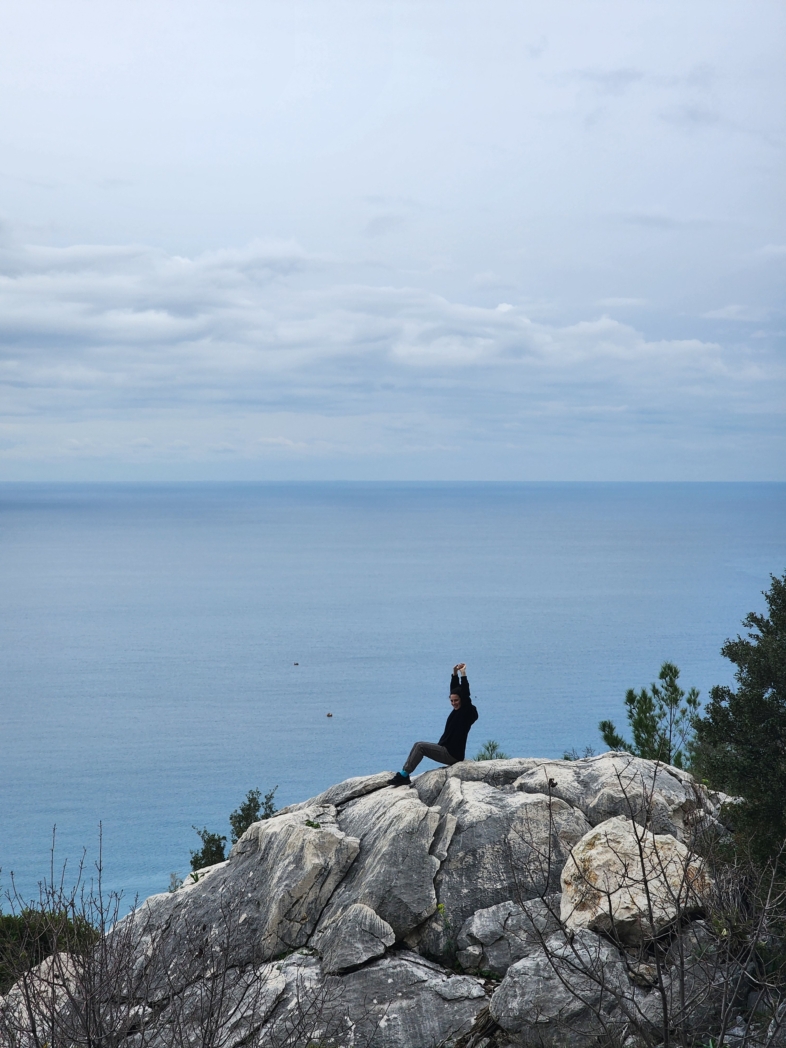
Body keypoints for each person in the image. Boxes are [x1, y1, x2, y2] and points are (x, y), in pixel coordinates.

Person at [389, 663, 478, 787]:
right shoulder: (457, 711)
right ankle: (403, 774)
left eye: (456, 700)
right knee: (418, 745)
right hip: (448, 750)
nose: (453, 703)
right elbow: (455, 689)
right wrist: (454, 673)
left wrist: (463, 674)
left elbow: (465, 693)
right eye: (451, 701)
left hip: (452, 754)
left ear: (462, 700)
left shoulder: (465, 713)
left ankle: (404, 775)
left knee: (420, 746)